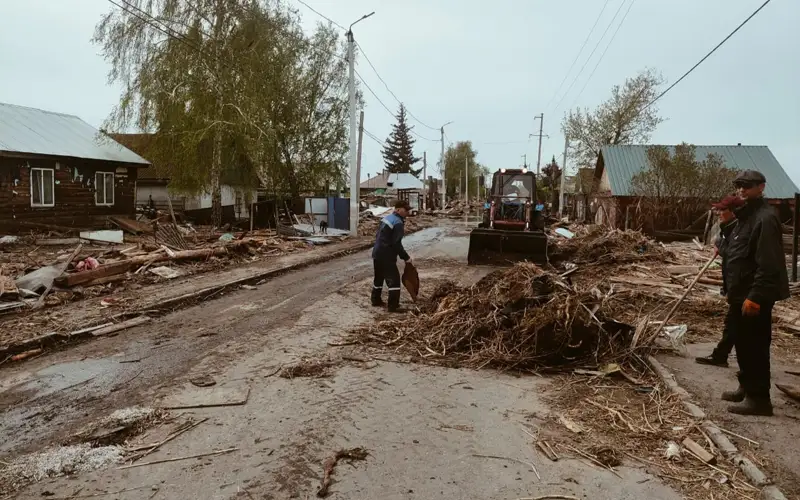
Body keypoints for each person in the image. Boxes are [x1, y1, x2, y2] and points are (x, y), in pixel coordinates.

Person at [721, 170, 789, 416]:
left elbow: (768, 263)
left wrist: (756, 296)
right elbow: (739, 250)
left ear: (761, 187)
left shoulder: (766, 218)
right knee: (742, 344)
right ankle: (746, 386)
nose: (741, 190)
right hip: (740, 292)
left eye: (747, 186)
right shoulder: (746, 215)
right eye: (739, 185)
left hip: (753, 295)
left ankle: (759, 399)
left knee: (755, 347)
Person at [695, 194, 745, 367]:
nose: (718, 212)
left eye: (722, 209)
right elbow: (726, 247)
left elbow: (733, 253)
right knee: (734, 323)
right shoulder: (729, 227)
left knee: (736, 323)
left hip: (743, 286)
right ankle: (722, 356)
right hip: (735, 285)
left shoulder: (740, 227)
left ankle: (726, 357)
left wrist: (721, 247)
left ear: (734, 212)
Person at [371, 200, 413, 313]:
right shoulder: (398, 223)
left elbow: (378, 235)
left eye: (408, 210)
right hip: (386, 255)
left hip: (377, 252)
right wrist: (406, 257)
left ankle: (375, 300)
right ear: (398, 209)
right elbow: (396, 244)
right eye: (405, 210)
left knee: (378, 278)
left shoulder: (387, 218)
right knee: (394, 280)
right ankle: (393, 306)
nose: (407, 212)